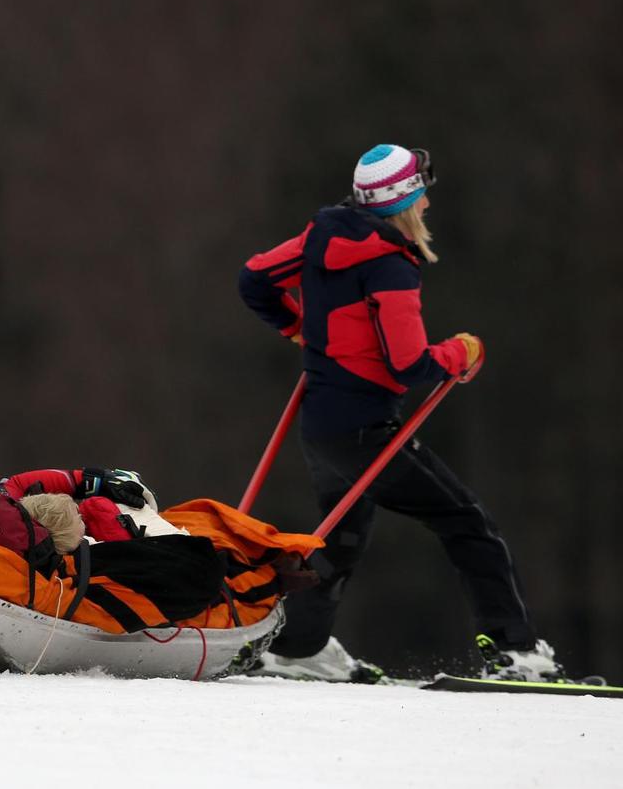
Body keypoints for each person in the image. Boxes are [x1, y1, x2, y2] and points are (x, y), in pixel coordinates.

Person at [236, 143, 563, 683]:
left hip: (321, 424)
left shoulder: (324, 236)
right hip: (367, 429)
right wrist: (463, 352)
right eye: (423, 194)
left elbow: (253, 279)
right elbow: (409, 364)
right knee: (467, 522)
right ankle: (517, 652)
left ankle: (299, 649)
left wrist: (295, 327)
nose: (429, 205)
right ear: (404, 200)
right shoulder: (390, 265)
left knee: (339, 538)